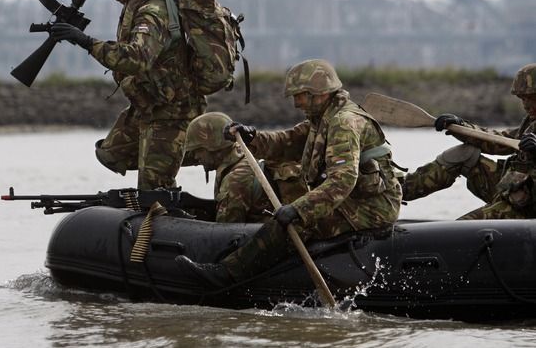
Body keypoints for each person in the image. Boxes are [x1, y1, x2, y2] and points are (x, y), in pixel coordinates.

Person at [175, 59, 403, 287]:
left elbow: (341, 181)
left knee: (288, 225)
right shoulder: (323, 119)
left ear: (318, 93)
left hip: (370, 208)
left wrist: (298, 210)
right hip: (356, 201)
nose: (296, 103)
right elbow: (287, 142)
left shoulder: (343, 124)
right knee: (289, 215)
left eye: (300, 95)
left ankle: (226, 274)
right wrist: (252, 137)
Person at [49, 0, 206, 190]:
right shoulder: (137, 3)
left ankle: (191, 153)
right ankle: (169, 159)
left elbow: (137, 58)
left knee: (153, 189)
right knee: (111, 154)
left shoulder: (152, 11)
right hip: (149, 104)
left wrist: (86, 42)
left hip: (171, 113)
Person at [402, 63, 536, 219]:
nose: (526, 105)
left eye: (531, 98)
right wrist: (460, 126)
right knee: (465, 154)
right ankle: (398, 191)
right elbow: (497, 141)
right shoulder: (530, 124)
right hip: (514, 191)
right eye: (523, 98)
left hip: (527, 208)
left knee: (461, 229)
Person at [184, 111, 306, 223]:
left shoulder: (235, 179)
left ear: (213, 148)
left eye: (198, 150)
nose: (195, 156)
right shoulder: (243, 158)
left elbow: (226, 230)